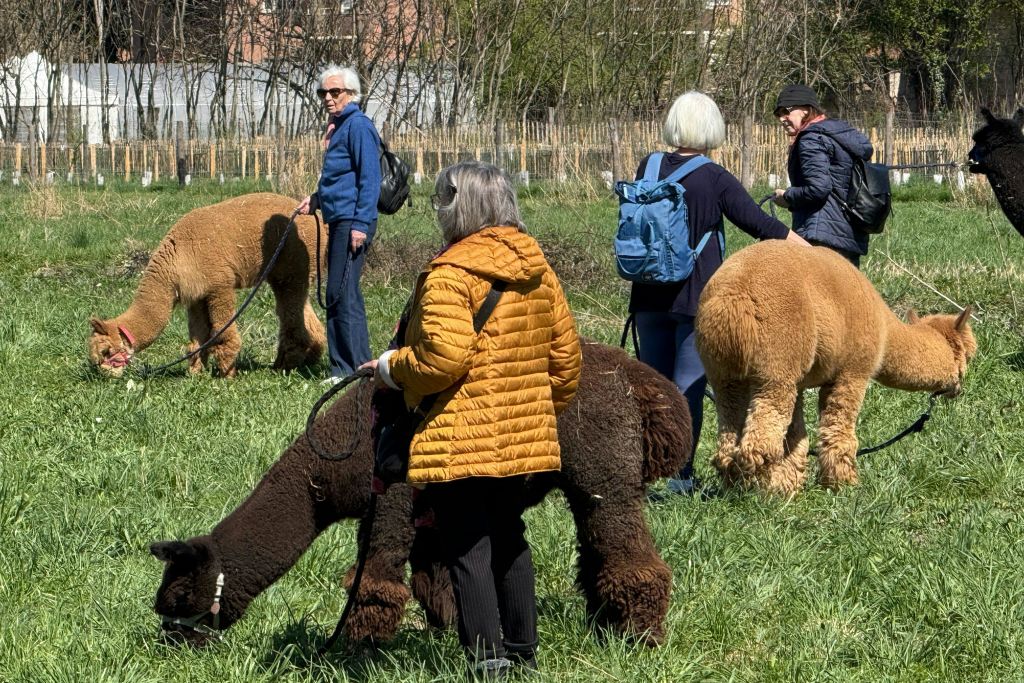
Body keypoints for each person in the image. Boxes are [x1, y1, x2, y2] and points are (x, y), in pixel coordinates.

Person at [360, 161, 582, 679]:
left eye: (442, 200)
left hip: (458, 435)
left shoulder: (449, 275)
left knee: (467, 547)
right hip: (521, 438)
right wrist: (536, 414)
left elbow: (444, 359)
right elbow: (566, 361)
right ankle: (524, 655)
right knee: (509, 536)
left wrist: (391, 369)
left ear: (456, 207)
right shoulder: (537, 269)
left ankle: (488, 664)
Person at [631, 91, 809, 496]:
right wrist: (811, 253)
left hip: (647, 294)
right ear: (712, 129)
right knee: (685, 389)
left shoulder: (649, 166)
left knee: (653, 390)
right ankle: (679, 477)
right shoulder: (713, 176)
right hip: (696, 299)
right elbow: (760, 224)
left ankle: (648, 475)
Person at [297, 64, 381, 380]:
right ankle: (352, 367)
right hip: (339, 217)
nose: (328, 98)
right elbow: (340, 177)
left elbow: (370, 178)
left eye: (335, 92)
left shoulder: (358, 126)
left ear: (351, 94)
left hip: (352, 221)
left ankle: (350, 369)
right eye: (324, 93)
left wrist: (361, 224)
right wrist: (317, 199)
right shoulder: (339, 126)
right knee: (343, 293)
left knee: (341, 293)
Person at [772, 83, 874, 268]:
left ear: (805, 110)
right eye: (778, 114)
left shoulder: (811, 139)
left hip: (820, 234)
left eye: (786, 111)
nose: (781, 118)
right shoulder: (836, 135)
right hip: (848, 234)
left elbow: (818, 188)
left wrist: (787, 196)